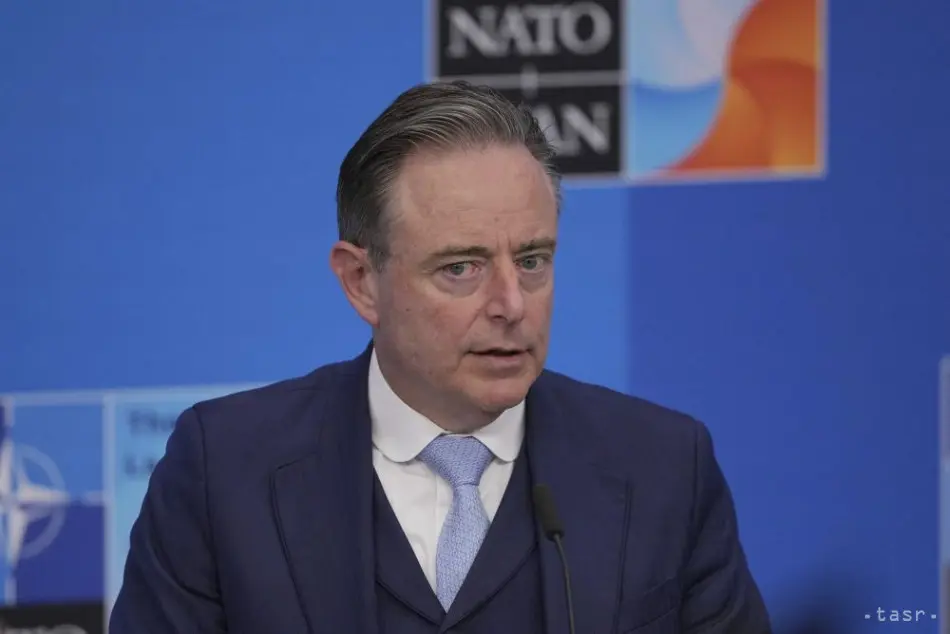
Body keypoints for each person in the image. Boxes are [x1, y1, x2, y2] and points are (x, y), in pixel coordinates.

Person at [109, 80, 772, 633]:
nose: (511, 304)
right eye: (461, 267)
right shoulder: (224, 471)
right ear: (361, 282)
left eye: (532, 260)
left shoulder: (662, 467)